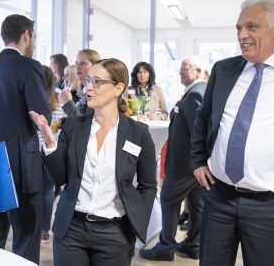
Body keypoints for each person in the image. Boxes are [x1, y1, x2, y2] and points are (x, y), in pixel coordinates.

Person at [191, 0, 274, 266]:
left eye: (252, 27)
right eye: (239, 28)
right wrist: (197, 161)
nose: (242, 35)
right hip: (219, 197)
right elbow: (203, 120)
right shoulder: (223, 69)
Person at [29, 58, 157, 266]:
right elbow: (59, 178)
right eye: (88, 80)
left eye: (97, 82)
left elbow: (148, 185)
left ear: (118, 89)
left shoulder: (138, 133)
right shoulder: (73, 127)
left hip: (116, 234)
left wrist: (136, 225)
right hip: (72, 230)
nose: (88, 87)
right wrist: (50, 143)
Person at [0, 14, 51, 264]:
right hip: (21, 166)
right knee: (26, 235)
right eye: (34, 37)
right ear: (26, 35)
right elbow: (41, 116)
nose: (34, 42)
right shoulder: (29, 66)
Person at [139, 56, 206, 261]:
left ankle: (166, 247)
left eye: (186, 68)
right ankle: (193, 245)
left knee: (168, 199)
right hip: (192, 165)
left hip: (184, 164)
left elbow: (198, 133)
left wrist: (194, 163)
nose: (182, 72)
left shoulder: (195, 94)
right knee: (197, 204)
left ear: (199, 71)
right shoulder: (196, 92)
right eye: (180, 70)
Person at [39, 65, 66, 243]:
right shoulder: (58, 103)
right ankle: (44, 229)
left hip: (34, 150)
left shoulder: (34, 102)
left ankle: (33, 225)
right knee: (48, 191)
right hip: (51, 150)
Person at [58, 49, 101, 117]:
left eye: (83, 63)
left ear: (95, 66)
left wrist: (67, 103)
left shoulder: (97, 92)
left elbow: (85, 125)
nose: (77, 67)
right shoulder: (83, 90)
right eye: (76, 63)